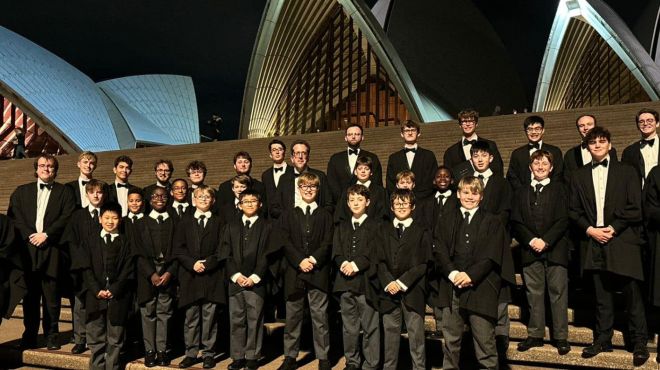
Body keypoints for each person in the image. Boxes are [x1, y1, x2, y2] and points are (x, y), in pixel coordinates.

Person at [569, 126, 649, 366]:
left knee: (632, 295)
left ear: (610, 145)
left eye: (602, 141)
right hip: (593, 241)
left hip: (622, 239)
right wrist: (590, 230)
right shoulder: (578, 175)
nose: (597, 145)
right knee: (601, 296)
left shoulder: (627, 171)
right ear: (587, 146)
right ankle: (603, 338)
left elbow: (635, 208)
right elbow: (573, 210)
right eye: (592, 142)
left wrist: (612, 228)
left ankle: (639, 343)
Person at [434, 176, 515, 370]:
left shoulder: (492, 221)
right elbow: (440, 250)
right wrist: (452, 273)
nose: (470, 196)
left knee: (485, 344)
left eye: (475, 192)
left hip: (481, 288)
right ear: (458, 194)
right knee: (450, 343)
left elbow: (492, 253)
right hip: (452, 287)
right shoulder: (446, 219)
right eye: (466, 192)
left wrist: (470, 276)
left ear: (481, 197)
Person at [8, 154, 75, 349]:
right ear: (36, 168)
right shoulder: (21, 191)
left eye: (50, 166)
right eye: (42, 165)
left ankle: (51, 334)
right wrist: (31, 235)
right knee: (30, 297)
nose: (46, 169)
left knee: (51, 297)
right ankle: (29, 333)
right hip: (27, 251)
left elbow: (67, 216)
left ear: (56, 170)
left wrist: (47, 234)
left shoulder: (65, 192)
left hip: (52, 249)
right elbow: (14, 216)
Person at [511, 150, 570, 355]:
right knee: (533, 293)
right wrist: (531, 239)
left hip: (555, 249)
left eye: (544, 164)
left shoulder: (561, 189)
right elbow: (516, 221)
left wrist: (546, 240)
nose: (540, 167)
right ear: (530, 167)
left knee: (558, 293)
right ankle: (535, 334)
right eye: (536, 164)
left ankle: (560, 336)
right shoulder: (520, 191)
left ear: (551, 167)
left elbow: (564, 219)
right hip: (530, 249)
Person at [277, 173, 333, 370]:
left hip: (318, 272)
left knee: (320, 318)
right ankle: (290, 357)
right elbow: (285, 241)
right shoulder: (288, 215)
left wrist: (314, 259)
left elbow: (328, 241)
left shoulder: (326, 215)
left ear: (318, 190)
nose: (308, 190)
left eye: (313, 187)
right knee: (293, 317)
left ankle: (323, 357)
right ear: (299, 189)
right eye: (305, 187)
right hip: (295, 271)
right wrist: (300, 260)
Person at [224, 190, 280, 370]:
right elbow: (226, 253)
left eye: (253, 201)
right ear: (239, 205)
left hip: (257, 282)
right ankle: (237, 356)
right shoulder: (231, 226)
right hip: (236, 282)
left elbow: (269, 255)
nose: (249, 204)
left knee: (255, 319)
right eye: (245, 201)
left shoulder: (268, 227)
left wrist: (255, 276)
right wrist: (236, 275)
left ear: (260, 204)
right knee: (236, 320)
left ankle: (252, 356)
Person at [75, 201, 134, 370]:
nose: (110, 221)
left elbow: (128, 269)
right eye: (106, 218)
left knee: (115, 338)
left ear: (120, 220)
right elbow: (86, 268)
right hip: (95, 296)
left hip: (118, 296)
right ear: (100, 219)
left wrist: (114, 289)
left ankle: (112, 367)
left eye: (114, 218)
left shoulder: (126, 242)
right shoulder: (90, 241)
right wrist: (96, 290)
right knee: (96, 337)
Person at [173, 185, 227, 369]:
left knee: (210, 317)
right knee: (191, 317)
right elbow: (178, 249)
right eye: (200, 196)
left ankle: (209, 353)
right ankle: (191, 352)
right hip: (190, 276)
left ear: (212, 201)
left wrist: (208, 264)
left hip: (212, 276)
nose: (203, 200)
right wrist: (192, 263)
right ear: (193, 200)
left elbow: (223, 248)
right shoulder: (184, 222)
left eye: (207, 197)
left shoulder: (220, 222)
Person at [378, 189, 430, 370]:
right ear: (392, 207)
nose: (401, 206)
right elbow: (378, 260)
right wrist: (388, 282)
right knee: (390, 337)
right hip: (388, 292)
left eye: (405, 203)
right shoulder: (383, 230)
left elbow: (424, 262)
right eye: (397, 203)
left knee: (416, 337)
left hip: (413, 291)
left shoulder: (422, 231)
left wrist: (401, 282)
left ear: (413, 206)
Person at [332, 184, 380, 370]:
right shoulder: (342, 226)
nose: (356, 203)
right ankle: (352, 361)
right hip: (345, 283)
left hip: (367, 282)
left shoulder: (376, 225)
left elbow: (375, 251)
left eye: (360, 199)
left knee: (370, 326)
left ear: (367, 202)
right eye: (352, 200)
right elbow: (336, 250)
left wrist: (356, 265)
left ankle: (371, 363)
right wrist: (343, 263)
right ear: (347, 203)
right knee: (349, 327)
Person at [62, 179, 106, 355]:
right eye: (92, 192)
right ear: (87, 194)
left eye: (99, 192)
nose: (96, 195)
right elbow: (71, 242)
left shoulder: (108, 214)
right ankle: (80, 339)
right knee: (80, 305)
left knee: (101, 305)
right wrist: (83, 263)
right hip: (82, 268)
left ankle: (99, 338)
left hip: (103, 268)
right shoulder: (77, 216)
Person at [135, 187, 178, 367]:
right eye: (155, 196)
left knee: (164, 313)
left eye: (163, 196)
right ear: (149, 200)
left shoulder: (176, 222)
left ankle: (161, 350)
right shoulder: (141, 222)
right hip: (147, 273)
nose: (159, 199)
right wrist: (151, 273)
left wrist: (169, 272)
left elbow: (180, 250)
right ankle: (149, 350)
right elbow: (137, 251)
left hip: (168, 271)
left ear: (168, 199)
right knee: (148, 313)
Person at [274, 139, 333, 217]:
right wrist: (288, 218)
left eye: (304, 153)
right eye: (297, 153)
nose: (300, 157)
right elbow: (275, 207)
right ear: (292, 158)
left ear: (308, 157)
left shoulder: (320, 176)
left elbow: (329, 204)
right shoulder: (284, 178)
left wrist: (318, 218)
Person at [327, 124, 383, 203]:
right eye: (350, 134)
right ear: (345, 138)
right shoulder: (335, 158)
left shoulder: (373, 157)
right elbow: (331, 182)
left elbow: (377, 182)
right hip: (339, 203)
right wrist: (344, 200)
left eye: (357, 134)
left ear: (362, 137)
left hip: (366, 204)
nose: (353, 137)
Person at [507, 115, 563, 191]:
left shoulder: (555, 151)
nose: (533, 132)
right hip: (523, 196)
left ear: (543, 130)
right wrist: (522, 191)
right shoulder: (517, 153)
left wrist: (548, 190)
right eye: (530, 129)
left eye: (537, 129)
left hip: (550, 195)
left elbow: (558, 174)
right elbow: (512, 176)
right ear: (525, 131)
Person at [443, 109, 504, 179]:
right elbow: (449, 177)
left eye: (471, 121)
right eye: (464, 121)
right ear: (460, 125)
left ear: (476, 124)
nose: (468, 124)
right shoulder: (450, 152)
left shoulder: (490, 145)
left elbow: (498, 170)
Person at [386, 120, 437, 200]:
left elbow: (432, 180)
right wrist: (402, 198)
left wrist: (414, 197)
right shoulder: (393, 158)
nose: (410, 133)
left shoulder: (429, 155)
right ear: (402, 134)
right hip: (401, 202)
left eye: (413, 130)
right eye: (406, 130)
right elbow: (390, 183)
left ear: (418, 133)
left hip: (423, 201)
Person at [563, 114, 618, 183]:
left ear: (595, 126)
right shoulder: (570, 154)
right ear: (578, 129)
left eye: (589, 124)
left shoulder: (611, 151)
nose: (586, 128)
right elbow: (568, 179)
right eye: (581, 126)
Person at [334, 156, 388, 224]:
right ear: (355, 172)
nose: (363, 171)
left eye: (366, 169)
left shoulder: (381, 192)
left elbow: (384, 215)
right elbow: (340, 214)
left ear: (371, 172)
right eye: (360, 169)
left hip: (374, 230)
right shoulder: (347, 190)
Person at [622, 108, 660, 185]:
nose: (645, 124)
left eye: (650, 120)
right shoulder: (628, 151)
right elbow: (625, 178)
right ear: (637, 126)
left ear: (657, 123)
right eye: (641, 121)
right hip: (640, 194)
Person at [261, 139, 292, 220]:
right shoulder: (265, 175)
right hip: (271, 220)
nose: (277, 152)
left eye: (280, 149)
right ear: (270, 155)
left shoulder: (294, 171)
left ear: (284, 152)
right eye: (274, 150)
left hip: (290, 218)